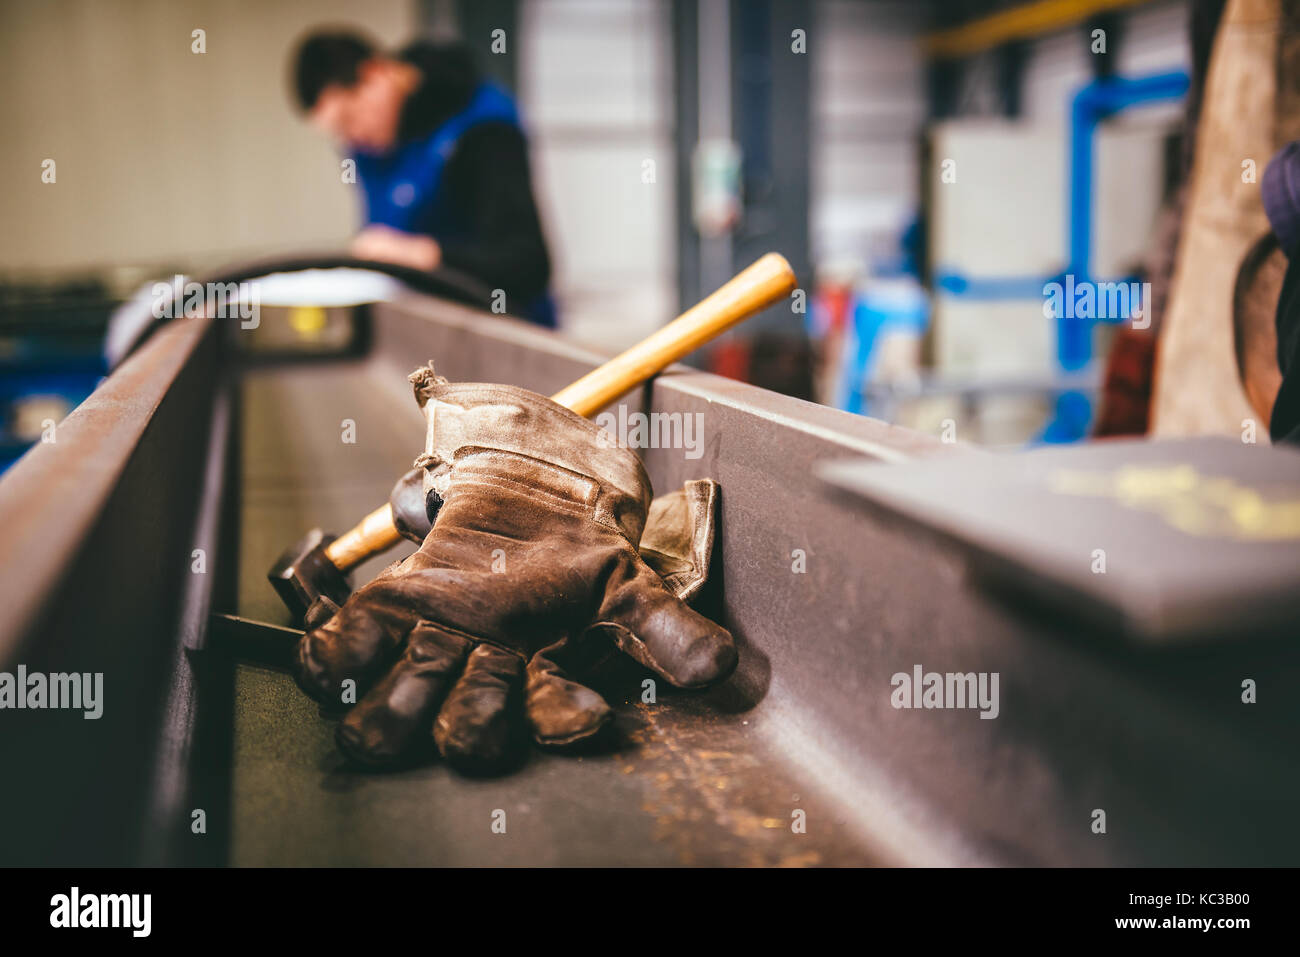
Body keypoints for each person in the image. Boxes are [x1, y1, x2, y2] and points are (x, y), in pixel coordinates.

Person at [291, 30, 556, 327]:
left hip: (506, 336)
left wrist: (421, 254)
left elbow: (527, 262)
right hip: (422, 333)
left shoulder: (482, 128)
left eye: (349, 119)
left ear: (374, 74)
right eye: (338, 133)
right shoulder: (370, 147)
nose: (351, 139)